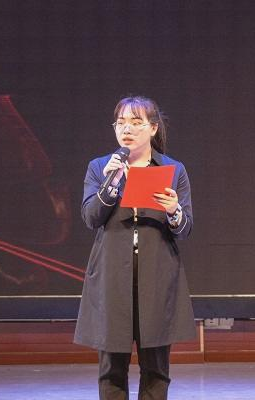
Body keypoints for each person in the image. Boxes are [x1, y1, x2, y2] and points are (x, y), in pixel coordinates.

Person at [74, 96, 196, 400]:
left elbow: (185, 228)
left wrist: (173, 210)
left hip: (157, 275)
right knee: (111, 370)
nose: (126, 129)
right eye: (121, 123)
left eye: (135, 122)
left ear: (153, 128)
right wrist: (111, 184)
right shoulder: (100, 167)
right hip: (112, 276)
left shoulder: (173, 169)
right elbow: (90, 218)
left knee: (156, 369)